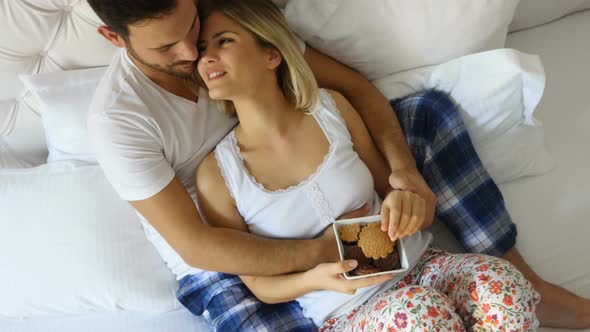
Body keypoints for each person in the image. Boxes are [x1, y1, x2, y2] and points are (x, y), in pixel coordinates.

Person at [85, 0, 590, 330]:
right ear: (114, 38)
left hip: (380, 242)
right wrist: (320, 258)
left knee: (427, 119)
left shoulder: (231, 25)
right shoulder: (122, 122)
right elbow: (199, 246)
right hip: (228, 251)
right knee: (419, 316)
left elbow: (355, 92)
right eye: (167, 47)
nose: (192, 52)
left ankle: (527, 280)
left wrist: (403, 179)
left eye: (195, 31)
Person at [193, 0, 540, 330]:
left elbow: (389, 189)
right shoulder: (217, 175)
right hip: (346, 311)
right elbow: (257, 283)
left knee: (503, 286)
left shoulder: (331, 109)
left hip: (423, 266)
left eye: (223, 41)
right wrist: (314, 278)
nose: (206, 58)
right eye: (202, 49)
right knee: (421, 315)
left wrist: (405, 204)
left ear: (272, 54)